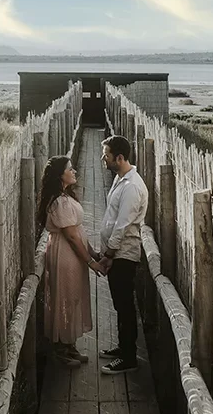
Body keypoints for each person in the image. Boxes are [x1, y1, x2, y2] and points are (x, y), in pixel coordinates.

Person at [38, 155, 100, 368]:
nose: (74, 172)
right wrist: (91, 262)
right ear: (59, 175)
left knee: (73, 298)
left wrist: (93, 252)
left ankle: (69, 344)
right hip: (65, 256)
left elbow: (79, 232)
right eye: (70, 169)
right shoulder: (59, 202)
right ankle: (61, 349)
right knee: (64, 298)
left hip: (74, 256)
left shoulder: (66, 197)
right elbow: (72, 236)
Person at [96, 134, 148, 375]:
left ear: (119, 157)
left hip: (124, 255)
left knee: (125, 306)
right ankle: (122, 348)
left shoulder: (132, 187)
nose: (102, 159)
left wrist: (108, 253)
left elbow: (123, 225)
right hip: (117, 253)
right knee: (120, 304)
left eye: (106, 155)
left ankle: (128, 358)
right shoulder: (121, 179)